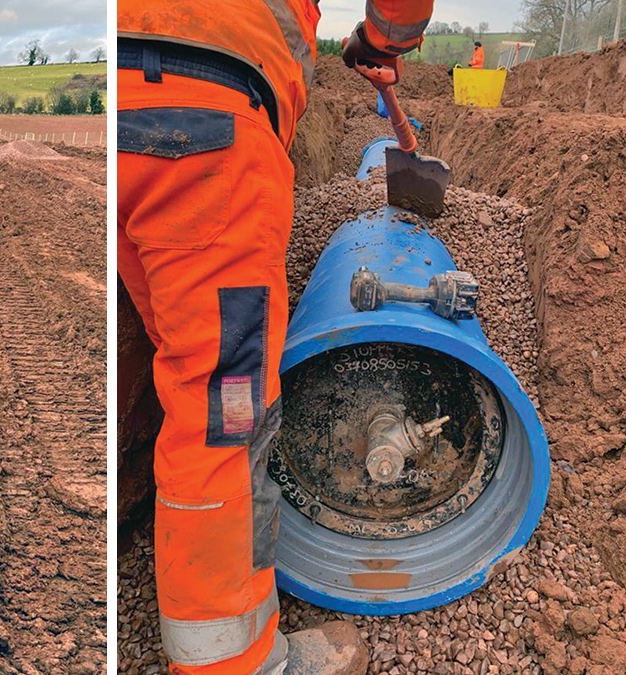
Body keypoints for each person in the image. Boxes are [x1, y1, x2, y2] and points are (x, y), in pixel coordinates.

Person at [117, 1, 434, 673]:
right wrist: (384, 38)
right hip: (205, 117)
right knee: (225, 405)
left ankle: (164, 560)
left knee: (180, 363)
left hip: (112, 100)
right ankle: (231, 659)